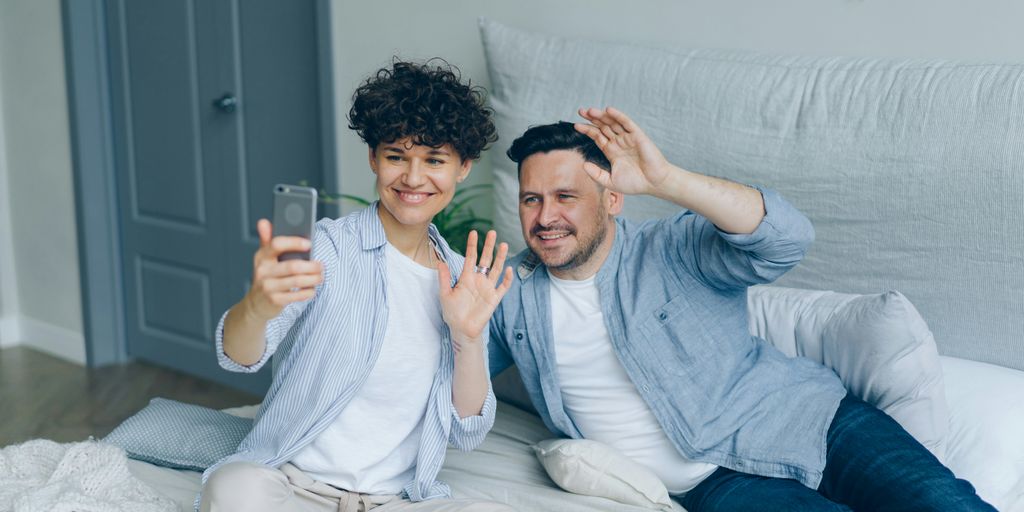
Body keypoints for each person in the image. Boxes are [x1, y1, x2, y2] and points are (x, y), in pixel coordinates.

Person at [487, 108, 995, 511]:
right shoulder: (505, 291)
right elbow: (441, 381)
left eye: (565, 196)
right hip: (717, 485)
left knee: (945, 505)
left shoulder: (670, 248)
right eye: (531, 199)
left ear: (613, 200)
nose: (546, 217)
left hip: (809, 420)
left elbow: (788, 240)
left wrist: (666, 181)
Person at [200, 60, 516, 512]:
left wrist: (467, 338)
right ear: (373, 158)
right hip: (292, 485)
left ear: (463, 167)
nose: (412, 177)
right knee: (233, 489)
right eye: (395, 157)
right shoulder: (326, 247)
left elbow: (467, 431)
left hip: (396, 500)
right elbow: (238, 357)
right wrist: (256, 306)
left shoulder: (465, 280)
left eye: (434, 160)